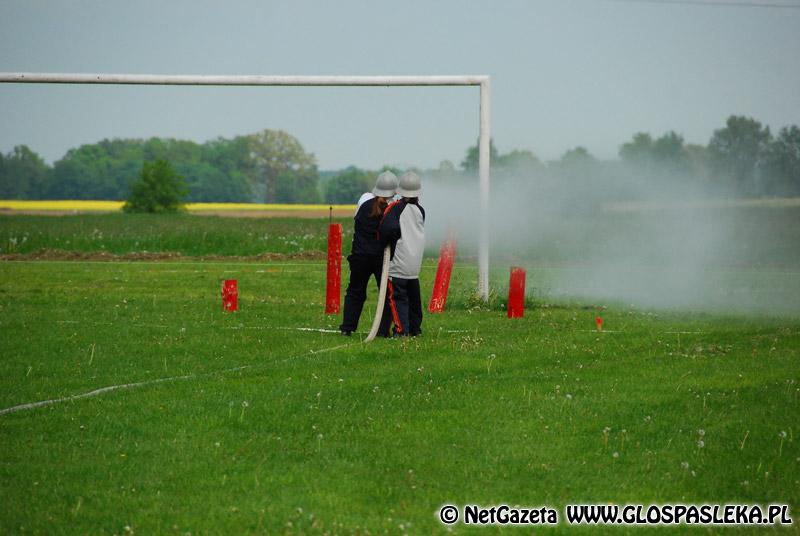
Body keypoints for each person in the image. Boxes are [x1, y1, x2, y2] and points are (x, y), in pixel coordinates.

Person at [339, 171, 398, 336]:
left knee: (355, 292)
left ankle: (347, 328)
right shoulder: (394, 206)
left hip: (359, 255)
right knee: (385, 295)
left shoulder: (364, 199)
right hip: (382, 258)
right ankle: (382, 331)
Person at [377, 171, 425, 337]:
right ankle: (414, 330)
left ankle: (401, 331)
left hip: (398, 263)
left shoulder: (396, 209)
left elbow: (386, 230)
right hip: (414, 265)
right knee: (414, 300)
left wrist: (382, 244)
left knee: (397, 300)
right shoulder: (420, 210)